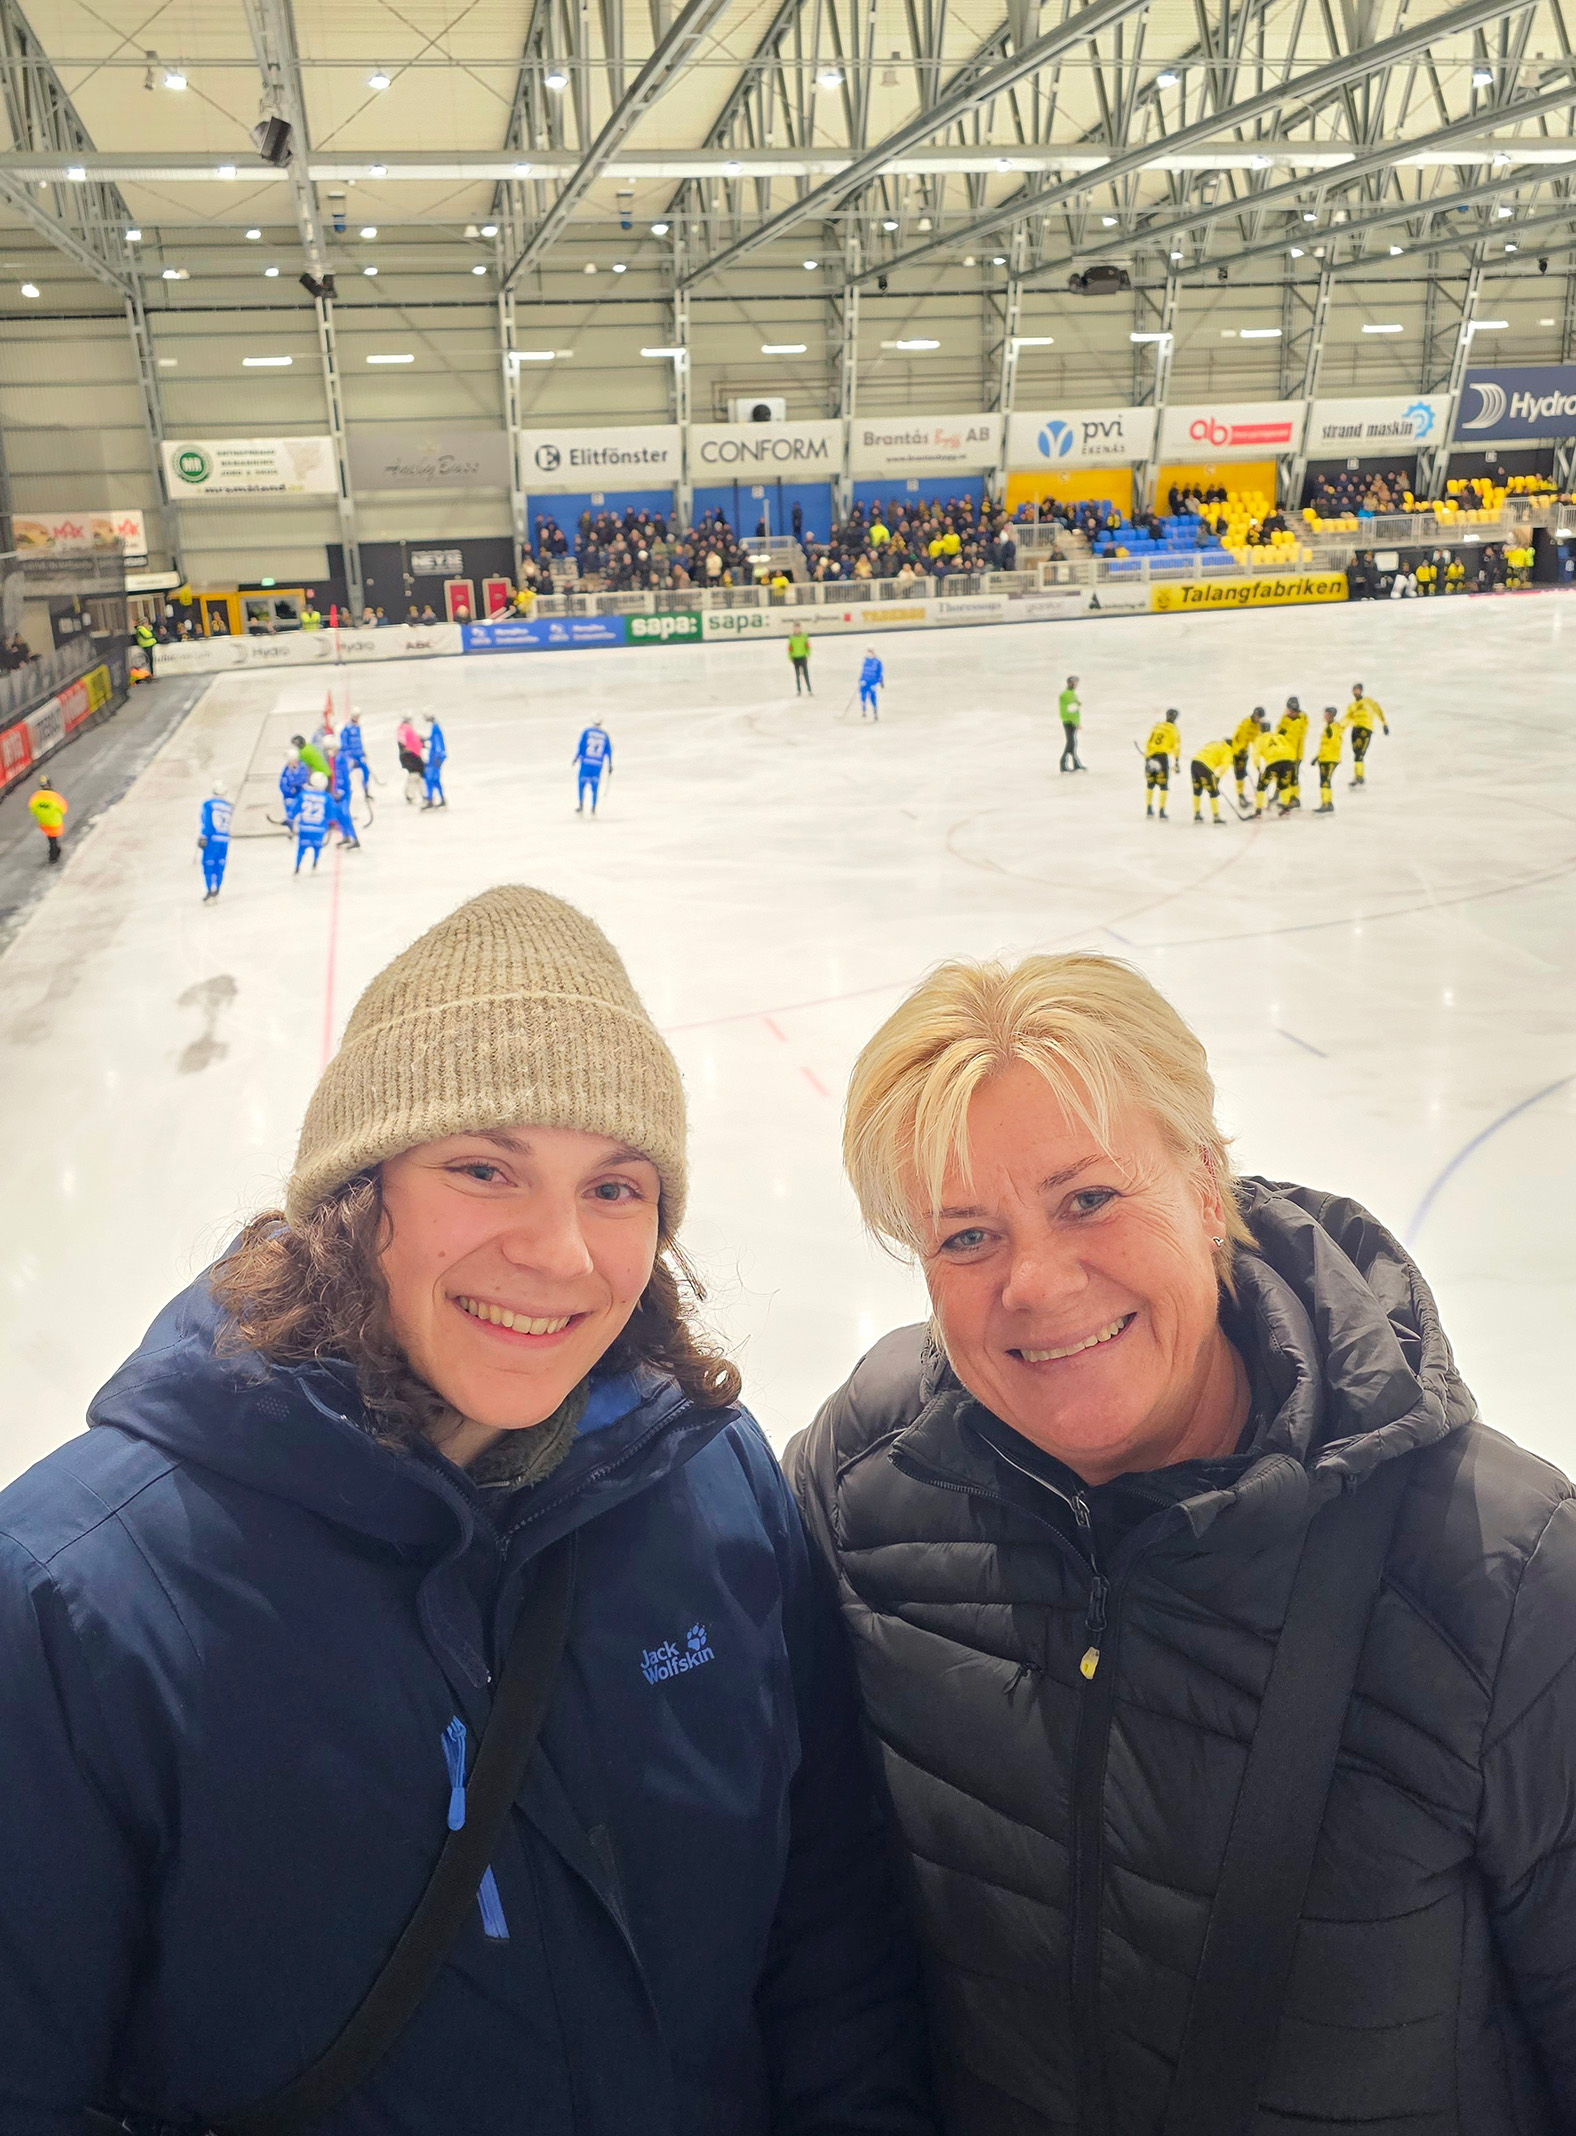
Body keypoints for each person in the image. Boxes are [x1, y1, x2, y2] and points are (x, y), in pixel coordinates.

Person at [0, 887, 934, 2133]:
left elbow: (827, 1936)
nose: (560, 1251)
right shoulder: (78, 1601)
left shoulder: (714, 1486)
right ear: (354, 1196)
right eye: (484, 1168)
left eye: (615, 1188)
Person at [789, 950, 1576, 2136]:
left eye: (1088, 1198)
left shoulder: (1503, 1574)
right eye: (964, 1238)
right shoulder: (865, 1480)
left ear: (1208, 1190)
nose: (1037, 1283)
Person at [1345, 681, 1389, 787]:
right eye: (1354, 690)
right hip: (1355, 729)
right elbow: (1347, 718)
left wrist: (1384, 724)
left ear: (1361, 690)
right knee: (1356, 754)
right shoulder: (1352, 705)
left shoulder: (1369, 702)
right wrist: (1338, 730)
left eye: (1357, 689)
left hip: (1365, 729)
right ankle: (1358, 776)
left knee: (1360, 754)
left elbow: (1378, 711)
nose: (1356, 692)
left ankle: (1359, 776)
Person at [1141, 709, 1180, 819]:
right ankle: (1162, 811)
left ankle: (1148, 809)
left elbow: (1149, 741)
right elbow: (1176, 747)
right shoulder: (1173, 730)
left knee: (1150, 784)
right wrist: (1176, 762)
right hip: (1162, 758)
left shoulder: (1157, 726)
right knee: (1163, 785)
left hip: (1151, 756)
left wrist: (1147, 757)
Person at [1252, 719, 1296, 817]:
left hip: (1273, 763)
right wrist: (1292, 763)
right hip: (1288, 762)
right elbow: (1290, 748)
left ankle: (1258, 811)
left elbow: (1255, 755)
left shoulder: (1259, 739)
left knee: (1261, 786)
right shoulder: (1279, 736)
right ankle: (1286, 808)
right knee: (1284, 786)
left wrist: (1258, 767)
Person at [197, 782, 233, 901]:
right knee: (220, 863)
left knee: (208, 864)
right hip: (224, 838)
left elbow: (206, 822)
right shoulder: (229, 806)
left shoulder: (208, 804)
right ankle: (217, 887)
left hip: (212, 838)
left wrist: (203, 836)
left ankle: (209, 888)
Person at [1189, 733, 1233, 824]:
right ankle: (1216, 816)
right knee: (1213, 792)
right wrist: (1218, 778)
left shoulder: (1214, 743)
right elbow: (1224, 766)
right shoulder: (1228, 750)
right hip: (1205, 766)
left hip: (1194, 763)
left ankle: (1197, 814)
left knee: (1197, 790)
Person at [326, 742, 361, 851]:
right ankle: (345, 836)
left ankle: (354, 839)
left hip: (343, 792)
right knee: (339, 815)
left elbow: (342, 777)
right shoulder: (335, 759)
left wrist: (340, 791)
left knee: (345, 815)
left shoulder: (340, 759)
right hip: (338, 791)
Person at [1276, 696, 1309, 811]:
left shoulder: (1301, 720)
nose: (1287, 712)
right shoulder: (1285, 718)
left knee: (1293, 778)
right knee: (1287, 777)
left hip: (1295, 754)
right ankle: (1289, 798)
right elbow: (1279, 732)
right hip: (1285, 754)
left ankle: (1295, 799)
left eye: (1290, 710)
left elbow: (1296, 735)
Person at [294, 771, 330, 873]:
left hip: (304, 827)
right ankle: (314, 863)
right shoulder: (327, 798)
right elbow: (330, 814)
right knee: (317, 847)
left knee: (301, 848)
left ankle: (297, 866)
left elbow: (295, 809)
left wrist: (290, 818)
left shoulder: (303, 794)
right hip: (319, 828)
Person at [1229, 706, 1265, 808]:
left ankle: (1242, 796)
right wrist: (1238, 750)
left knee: (1242, 774)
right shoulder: (1245, 724)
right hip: (1238, 753)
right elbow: (1236, 738)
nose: (1259, 719)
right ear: (1255, 715)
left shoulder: (1257, 726)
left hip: (1245, 753)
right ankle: (1240, 796)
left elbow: (1256, 741)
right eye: (1258, 717)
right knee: (1239, 775)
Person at [574, 719, 613, 815]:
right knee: (595, 786)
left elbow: (581, 746)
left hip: (586, 763)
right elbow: (608, 751)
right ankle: (593, 807)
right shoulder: (605, 735)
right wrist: (610, 765)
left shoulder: (586, 732)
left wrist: (576, 758)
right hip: (597, 764)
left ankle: (581, 805)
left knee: (581, 784)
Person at [28, 774, 67, 865]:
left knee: (50, 837)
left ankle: (55, 851)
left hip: (43, 822)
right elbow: (64, 808)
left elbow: (32, 808)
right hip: (54, 821)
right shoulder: (54, 796)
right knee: (53, 838)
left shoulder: (36, 796)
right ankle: (53, 854)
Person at [1314, 705, 1344, 813]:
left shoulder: (1335, 727)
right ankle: (1327, 803)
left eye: (1327, 713)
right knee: (1324, 781)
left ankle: (1326, 803)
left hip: (1330, 759)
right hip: (1324, 758)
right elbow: (1325, 745)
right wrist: (1317, 756)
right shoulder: (1328, 727)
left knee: (1325, 781)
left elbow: (1335, 742)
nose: (1325, 715)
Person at [339, 712, 372, 796]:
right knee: (346, 773)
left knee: (366, 771)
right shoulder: (347, 728)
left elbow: (359, 741)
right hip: (351, 756)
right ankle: (345, 791)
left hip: (359, 755)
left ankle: (366, 790)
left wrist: (362, 752)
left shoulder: (357, 727)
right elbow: (343, 742)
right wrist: (348, 754)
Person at [1058, 674, 1084, 773]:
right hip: (1069, 722)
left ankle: (1075, 763)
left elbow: (1072, 707)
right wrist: (1076, 723)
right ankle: (1063, 763)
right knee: (1071, 744)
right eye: (1074, 683)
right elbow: (1069, 711)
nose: (1075, 684)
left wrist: (1077, 703)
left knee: (1072, 743)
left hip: (1071, 721)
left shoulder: (1071, 694)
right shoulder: (1066, 695)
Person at [278, 746, 308, 833]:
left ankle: (301, 824)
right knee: (289, 805)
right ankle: (291, 823)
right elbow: (282, 783)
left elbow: (303, 779)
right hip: (290, 795)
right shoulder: (286, 771)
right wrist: (288, 790)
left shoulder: (302, 767)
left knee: (301, 808)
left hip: (300, 793)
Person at [397, 718, 425, 806]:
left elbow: (403, 743)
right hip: (411, 756)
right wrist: (421, 742)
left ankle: (413, 793)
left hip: (406, 756)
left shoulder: (401, 729)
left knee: (415, 774)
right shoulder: (407, 729)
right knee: (416, 774)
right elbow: (413, 742)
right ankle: (412, 794)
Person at [421, 714, 447, 810]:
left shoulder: (435, 728)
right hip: (435, 757)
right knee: (435, 779)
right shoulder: (435, 727)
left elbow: (438, 743)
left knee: (430, 779)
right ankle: (441, 799)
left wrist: (439, 756)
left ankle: (430, 800)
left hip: (435, 758)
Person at [858, 649, 884, 721]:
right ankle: (864, 711)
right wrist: (861, 680)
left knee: (873, 699)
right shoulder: (865, 661)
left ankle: (875, 713)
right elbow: (863, 672)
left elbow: (879, 674)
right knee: (863, 697)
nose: (869, 654)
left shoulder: (877, 662)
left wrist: (878, 683)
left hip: (872, 683)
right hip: (864, 682)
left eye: (870, 652)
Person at [788, 625, 812, 696]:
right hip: (795, 659)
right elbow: (790, 649)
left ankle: (809, 689)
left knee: (806, 674)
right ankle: (799, 690)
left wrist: (808, 655)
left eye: (797, 628)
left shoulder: (804, 637)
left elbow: (807, 647)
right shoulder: (791, 638)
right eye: (795, 628)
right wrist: (790, 657)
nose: (796, 629)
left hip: (802, 658)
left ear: (799, 628)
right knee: (797, 675)